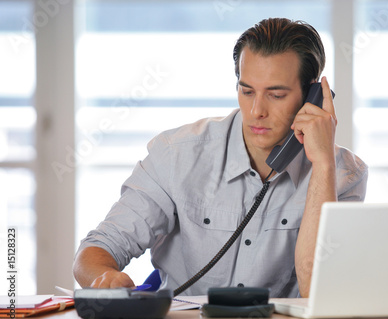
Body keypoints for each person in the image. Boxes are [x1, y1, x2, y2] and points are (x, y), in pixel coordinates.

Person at [73, 17, 368, 298]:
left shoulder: (343, 174)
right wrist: (104, 278)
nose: (256, 111)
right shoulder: (176, 154)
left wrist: (322, 164)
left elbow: (319, 292)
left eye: (276, 95)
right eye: (247, 91)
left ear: (312, 96)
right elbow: (95, 250)